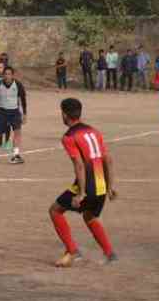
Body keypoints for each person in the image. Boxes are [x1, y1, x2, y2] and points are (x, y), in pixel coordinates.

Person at [48, 98, 118, 268]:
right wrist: (110, 186)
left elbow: (79, 165)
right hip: (101, 183)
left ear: (64, 114)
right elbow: (108, 159)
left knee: (55, 210)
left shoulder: (69, 137)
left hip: (87, 185)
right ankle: (110, 253)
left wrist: (81, 193)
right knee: (90, 216)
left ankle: (72, 251)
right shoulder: (94, 131)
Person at [0, 66, 27, 164]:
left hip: (14, 112)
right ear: (3, 75)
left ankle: (16, 155)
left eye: (9, 74)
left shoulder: (18, 84)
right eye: (5, 74)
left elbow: (23, 99)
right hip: (1, 111)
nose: (7, 76)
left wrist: (25, 113)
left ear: (12, 75)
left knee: (17, 132)